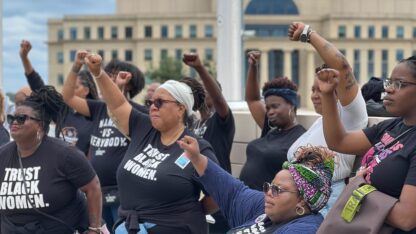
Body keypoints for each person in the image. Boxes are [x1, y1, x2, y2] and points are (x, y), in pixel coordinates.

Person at [83, 52, 219, 233]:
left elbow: (218, 194)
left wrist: (188, 212)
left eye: (160, 102)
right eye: (151, 102)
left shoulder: (197, 148)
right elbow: (117, 105)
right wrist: (98, 72)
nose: (153, 106)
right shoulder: (144, 127)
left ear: (180, 108)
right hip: (131, 226)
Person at [316, 55, 416, 233]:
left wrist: (358, 188)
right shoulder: (393, 126)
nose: (389, 90)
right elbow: (338, 141)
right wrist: (328, 95)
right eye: (389, 82)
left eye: (399, 84)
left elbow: (406, 218)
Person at [287, 22, 368, 216]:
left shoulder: (350, 116)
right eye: (314, 89)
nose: (316, 94)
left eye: (322, 87)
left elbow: (343, 67)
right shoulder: (319, 123)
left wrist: (308, 34)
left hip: (324, 206)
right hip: (296, 201)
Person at [178, 136, 334, 233]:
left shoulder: (306, 228)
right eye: (268, 186)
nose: (268, 193)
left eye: (277, 190)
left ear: (302, 200)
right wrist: (196, 157)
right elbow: (234, 192)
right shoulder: (267, 209)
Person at [62, 51, 147, 229]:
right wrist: (77, 65)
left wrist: (119, 90)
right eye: (105, 75)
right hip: (97, 190)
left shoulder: (140, 114)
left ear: (129, 82)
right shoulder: (99, 109)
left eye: (111, 75)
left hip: (125, 191)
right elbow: (68, 97)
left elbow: (121, 107)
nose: (105, 79)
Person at [0, 86, 102, 233]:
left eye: (21, 118)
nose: (14, 122)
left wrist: (94, 229)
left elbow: (93, 187)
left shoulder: (66, 155)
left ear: (40, 125)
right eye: (12, 118)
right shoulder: (3, 155)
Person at [182, 53, 236, 233]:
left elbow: (219, 100)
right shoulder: (193, 123)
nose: (203, 94)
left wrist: (199, 68)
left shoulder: (221, 121)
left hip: (217, 199)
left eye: (208, 91)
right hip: (197, 196)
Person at [19, 39, 99, 156]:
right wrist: (24, 57)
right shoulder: (63, 111)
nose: (69, 91)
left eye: (74, 87)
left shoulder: (98, 115)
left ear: (86, 90)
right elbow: (40, 87)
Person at [239, 53, 306, 191]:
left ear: (292, 106)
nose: (269, 112)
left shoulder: (302, 139)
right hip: (244, 200)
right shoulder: (270, 128)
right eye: (268, 107)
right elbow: (252, 99)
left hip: (267, 205)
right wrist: (253, 66)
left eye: (275, 106)